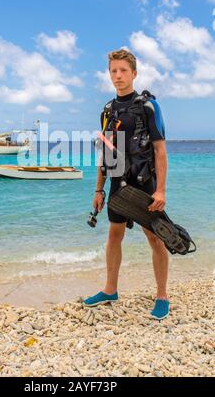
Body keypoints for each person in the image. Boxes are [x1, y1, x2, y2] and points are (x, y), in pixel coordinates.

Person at [83, 49, 170, 320]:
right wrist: (98, 189)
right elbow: (105, 152)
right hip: (117, 184)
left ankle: (162, 295)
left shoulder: (148, 107)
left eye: (123, 70)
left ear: (134, 73)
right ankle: (110, 289)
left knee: (155, 237)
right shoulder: (108, 110)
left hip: (144, 183)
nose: (117, 76)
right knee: (114, 236)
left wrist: (161, 190)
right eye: (113, 71)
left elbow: (160, 151)